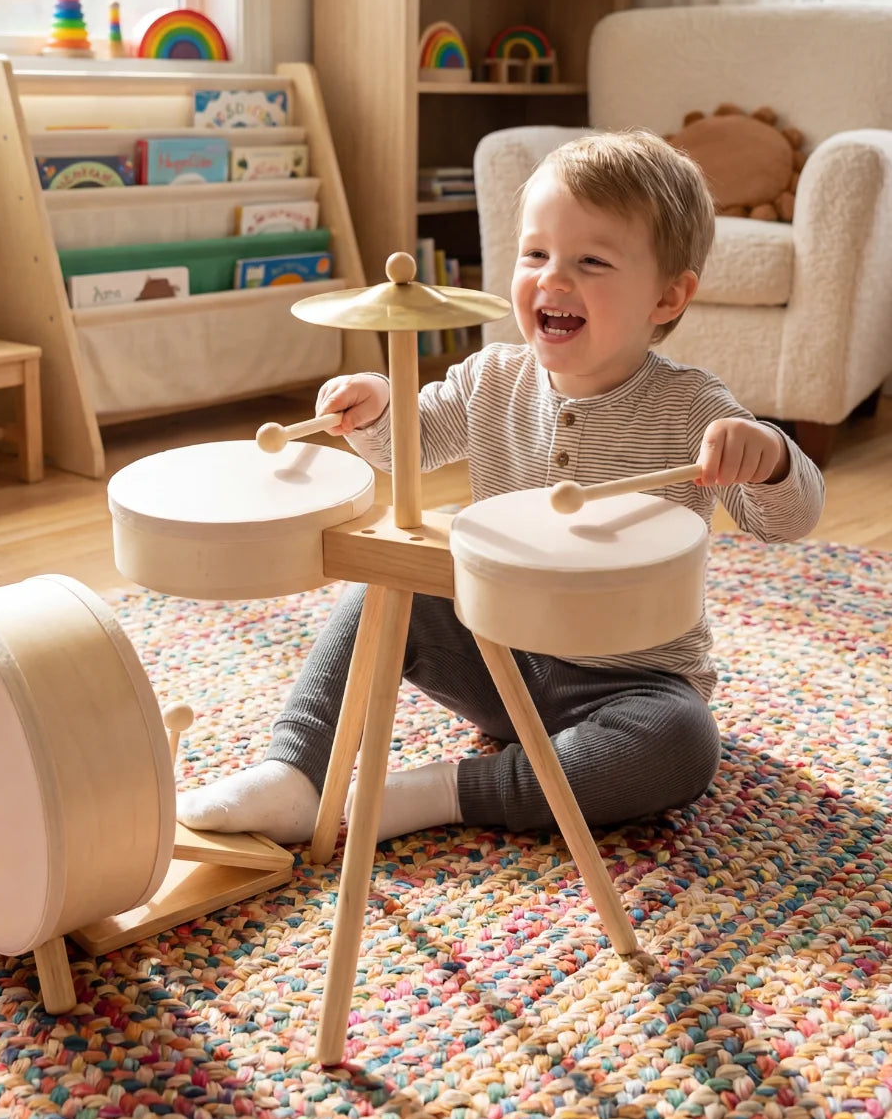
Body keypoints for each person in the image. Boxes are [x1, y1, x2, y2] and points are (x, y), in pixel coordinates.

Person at [177, 131, 825, 845]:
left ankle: (445, 792)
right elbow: (415, 441)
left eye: (591, 262)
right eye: (536, 254)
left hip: (629, 686)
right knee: (390, 583)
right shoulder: (491, 377)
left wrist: (768, 459)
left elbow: (785, 521)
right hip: (498, 654)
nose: (553, 279)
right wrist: (376, 405)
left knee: (683, 744)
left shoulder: (695, 409)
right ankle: (294, 772)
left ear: (668, 296)